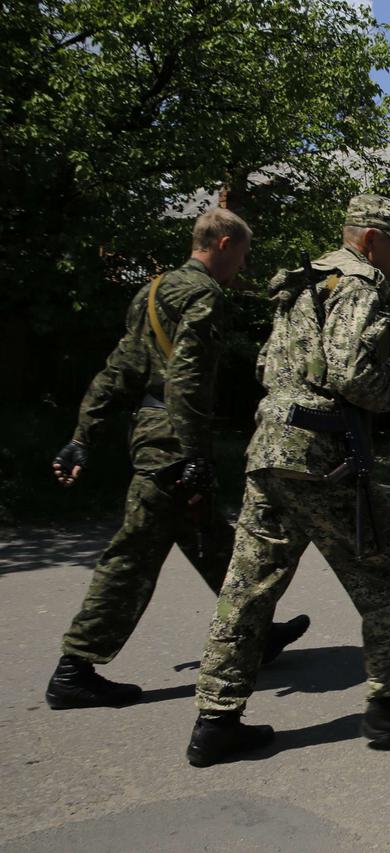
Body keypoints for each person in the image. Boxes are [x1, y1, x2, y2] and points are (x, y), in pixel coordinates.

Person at [187, 195, 390, 767]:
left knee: (248, 588)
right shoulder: (358, 284)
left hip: (269, 449)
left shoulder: (305, 282)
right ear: (373, 238)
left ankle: (216, 720)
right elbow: (352, 372)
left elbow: (265, 366)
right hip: (320, 456)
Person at [45, 208, 309, 711]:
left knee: (215, 541)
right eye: (244, 255)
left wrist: (84, 435)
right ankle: (75, 668)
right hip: (172, 443)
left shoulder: (151, 292)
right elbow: (186, 377)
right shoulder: (203, 294)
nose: (243, 266)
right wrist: (193, 455)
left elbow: (120, 368)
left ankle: (258, 632)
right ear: (225, 243)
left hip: (152, 434)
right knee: (133, 557)